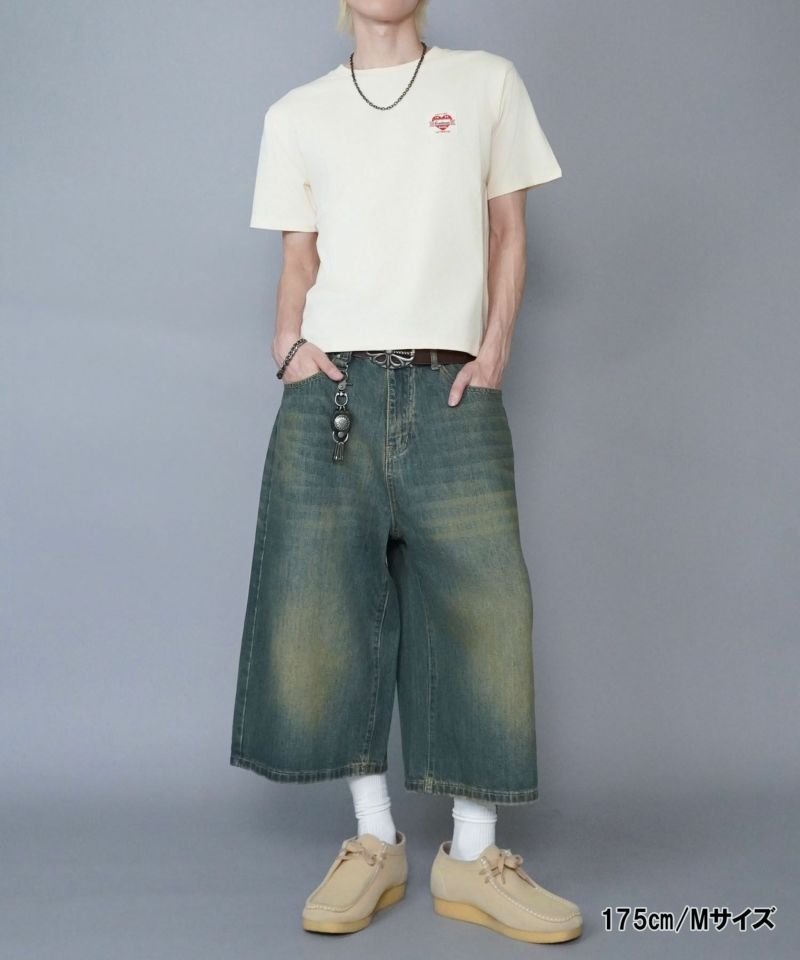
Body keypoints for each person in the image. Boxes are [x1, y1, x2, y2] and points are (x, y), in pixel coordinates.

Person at [229, 0, 582, 943]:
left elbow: (509, 231)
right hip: (333, 390)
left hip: (451, 384)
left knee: (486, 609)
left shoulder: (486, 83)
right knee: (328, 605)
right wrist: (287, 346)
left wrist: (495, 347)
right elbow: (297, 257)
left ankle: (473, 856)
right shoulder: (296, 113)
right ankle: (373, 838)